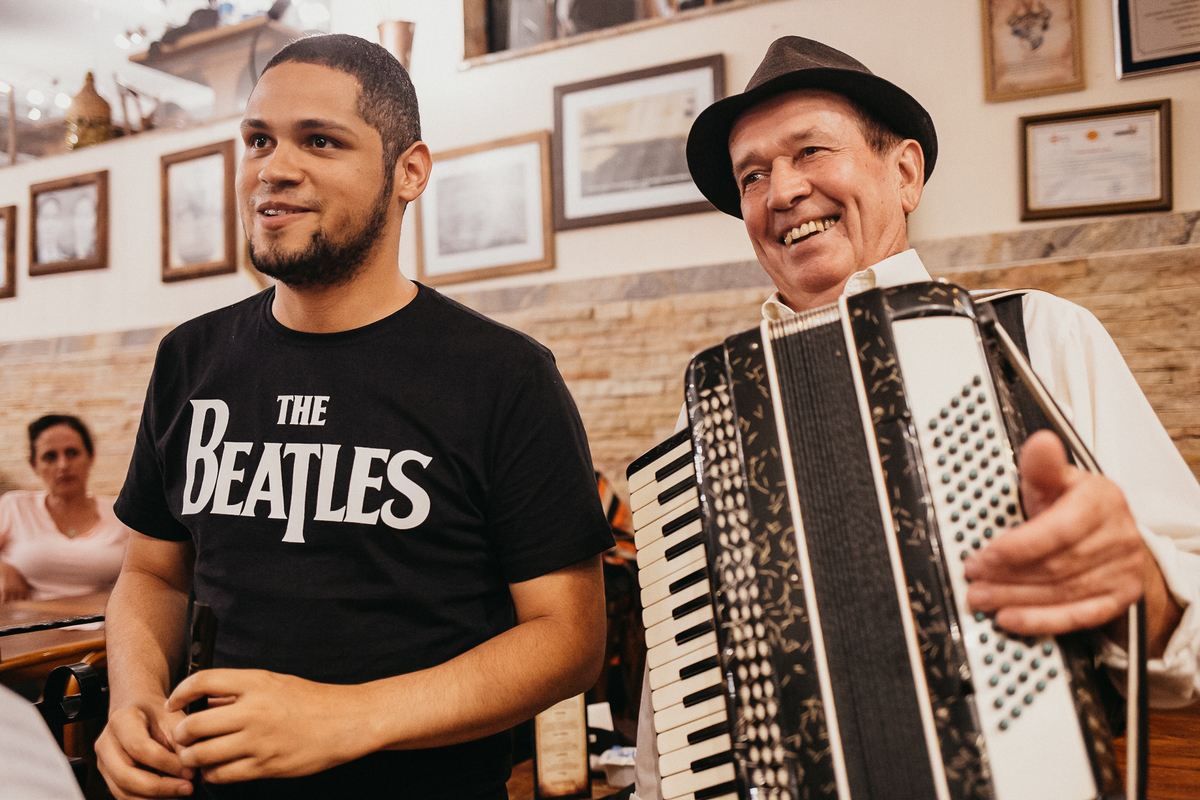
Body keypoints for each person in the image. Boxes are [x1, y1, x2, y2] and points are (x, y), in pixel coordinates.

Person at [633, 36, 1200, 799]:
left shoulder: (1038, 334)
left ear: (904, 173)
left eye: (810, 151)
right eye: (754, 175)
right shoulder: (706, 414)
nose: (782, 191)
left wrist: (1143, 583)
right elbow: (676, 696)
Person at [95, 34, 613, 800]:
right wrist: (133, 698)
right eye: (259, 140)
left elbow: (569, 640)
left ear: (410, 172)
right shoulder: (190, 358)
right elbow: (152, 574)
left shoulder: (504, 376)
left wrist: (348, 718)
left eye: (320, 141)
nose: (274, 167)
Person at [0, 414, 131, 603]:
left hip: (102, 624)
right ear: (34, 465)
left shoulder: (120, 512)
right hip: (29, 626)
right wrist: (3, 568)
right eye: (50, 457)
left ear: (90, 456)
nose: (63, 465)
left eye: (72, 453)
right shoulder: (15, 506)